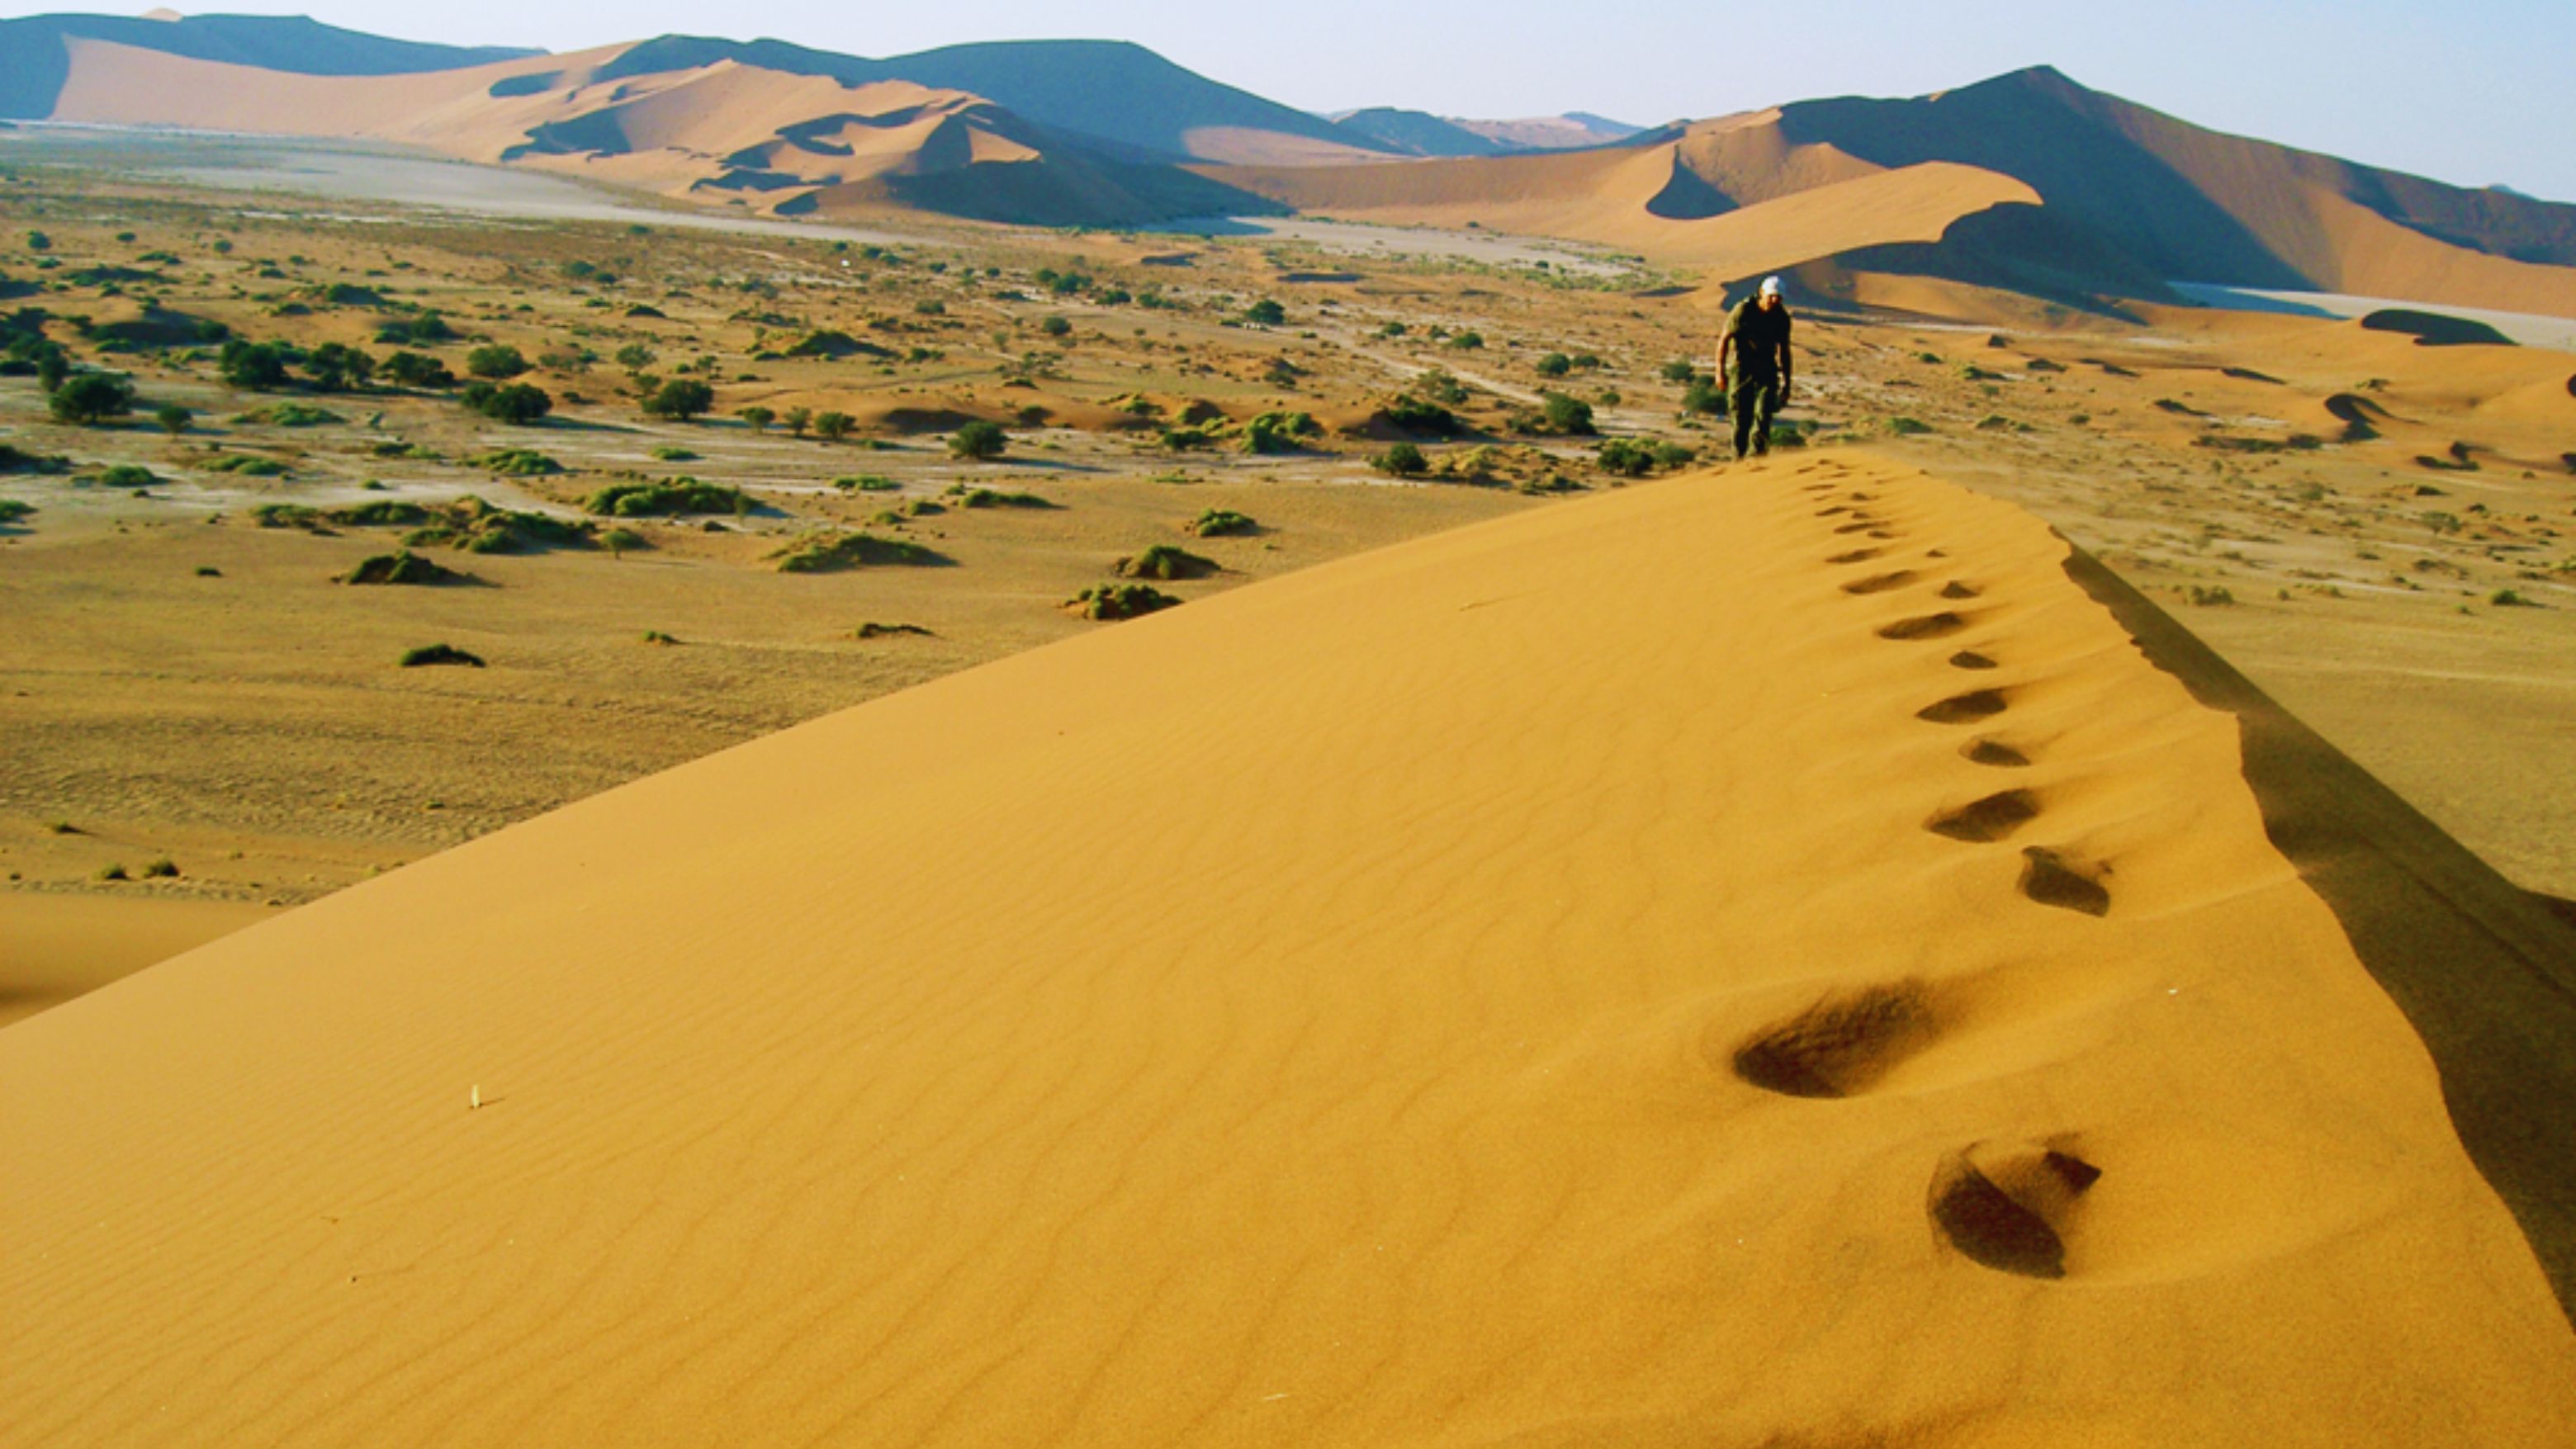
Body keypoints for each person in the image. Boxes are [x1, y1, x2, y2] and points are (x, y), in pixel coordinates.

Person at [1717, 275, 1793, 460]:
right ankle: (1739, 459)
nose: (1775, 300)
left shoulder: (1781, 318)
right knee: (1741, 417)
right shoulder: (1743, 310)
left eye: (1779, 297)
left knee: (1764, 415)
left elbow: (1784, 350)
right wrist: (1719, 372)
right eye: (1772, 296)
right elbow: (1724, 339)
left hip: (1767, 367)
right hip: (1742, 367)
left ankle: (1758, 459)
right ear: (1762, 293)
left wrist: (1787, 383)